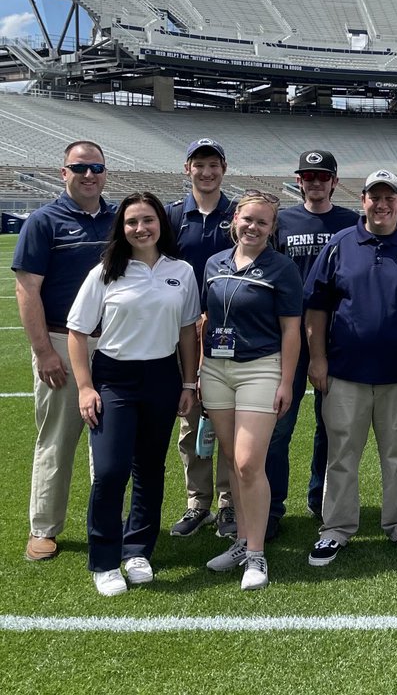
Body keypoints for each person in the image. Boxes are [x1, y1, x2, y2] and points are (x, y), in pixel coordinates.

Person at [305, 170, 397, 567]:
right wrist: (317, 358)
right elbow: (316, 306)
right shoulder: (339, 244)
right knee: (342, 454)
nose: (381, 205)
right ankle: (336, 528)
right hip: (345, 373)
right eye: (374, 197)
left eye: (389, 198)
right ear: (362, 199)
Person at [67, 193, 200, 595]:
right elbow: (77, 331)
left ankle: (138, 548)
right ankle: (105, 559)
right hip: (114, 378)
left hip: (161, 376)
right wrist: (86, 386)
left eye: (148, 220)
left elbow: (186, 332)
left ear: (161, 223)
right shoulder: (106, 271)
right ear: (121, 228)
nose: (140, 228)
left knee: (149, 469)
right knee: (109, 471)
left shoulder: (182, 271)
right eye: (131, 222)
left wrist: (189, 383)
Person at [14, 140, 116, 562]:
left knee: (110, 442)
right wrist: (43, 352)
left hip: (114, 344)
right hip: (60, 341)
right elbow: (28, 290)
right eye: (80, 168)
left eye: (96, 168)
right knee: (57, 439)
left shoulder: (119, 219)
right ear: (64, 173)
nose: (89, 175)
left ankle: (107, 523)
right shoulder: (43, 221)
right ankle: (44, 526)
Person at [201, 192, 302, 591]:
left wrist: (286, 381)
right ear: (234, 220)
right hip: (216, 369)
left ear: (272, 228)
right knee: (230, 459)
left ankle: (257, 554)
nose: (253, 227)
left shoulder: (282, 268)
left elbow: (291, 330)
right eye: (248, 219)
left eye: (263, 222)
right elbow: (205, 319)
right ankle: (243, 541)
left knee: (247, 463)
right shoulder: (213, 263)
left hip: (261, 368)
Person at [267, 150, 357, 537]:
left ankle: (321, 498)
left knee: (331, 425)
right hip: (287, 336)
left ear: (335, 181)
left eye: (323, 177)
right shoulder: (282, 221)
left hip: (335, 336)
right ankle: (270, 506)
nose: (315, 182)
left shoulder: (351, 222)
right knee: (279, 425)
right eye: (308, 176)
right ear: (299, 180)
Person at [166, 138, 237, 539]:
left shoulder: (237, 215)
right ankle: (198, 502)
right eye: (199, 165)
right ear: (187, 168)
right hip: (184, 334)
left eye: (213, 164)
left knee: (228, 418)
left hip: (230, 333)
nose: (206, 172)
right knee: (191, 420)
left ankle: (229, 503)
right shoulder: (174, 216)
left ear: (223, 168)